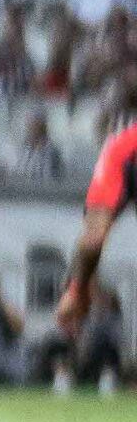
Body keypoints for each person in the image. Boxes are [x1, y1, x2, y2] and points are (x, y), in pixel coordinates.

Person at [60, 113, 134, 344]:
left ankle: (77, 294)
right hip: (124, 157)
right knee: (95, 236)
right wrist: (76, 290)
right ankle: (74, 294)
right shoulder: (121, 149)